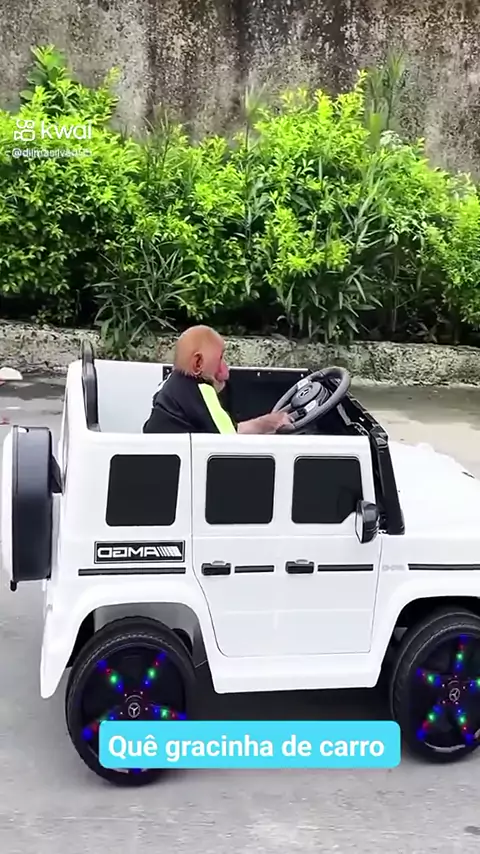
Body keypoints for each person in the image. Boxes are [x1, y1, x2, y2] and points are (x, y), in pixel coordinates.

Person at [143, 325, 293, 434]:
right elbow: (229, 438)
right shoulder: (201, 390)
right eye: (220, 359)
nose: (225, 371)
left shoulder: (170, 384)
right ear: (198, 364)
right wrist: (272, 423)